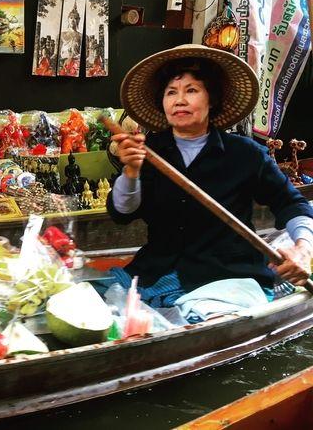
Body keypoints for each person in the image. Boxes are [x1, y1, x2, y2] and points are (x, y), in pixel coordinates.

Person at [107, 44, 313, 307]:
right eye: (171, 92)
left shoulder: (246, 154)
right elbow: (123, 214)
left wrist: (303, 249)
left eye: (191, 90)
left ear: (212, 99)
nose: (179, 100)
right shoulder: (147, 152)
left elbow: (292, 204)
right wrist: (131, 172)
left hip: (226, 279)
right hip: (154, 274)